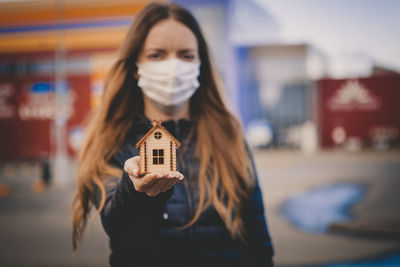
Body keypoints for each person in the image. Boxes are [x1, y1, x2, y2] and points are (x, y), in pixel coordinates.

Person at [71, 3, 274, 267]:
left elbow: (258, 245)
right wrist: (139, 194)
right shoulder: (112, 141)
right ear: (135, 67)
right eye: (157, 55)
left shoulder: (228, 136)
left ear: (200, 64)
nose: (174, 67)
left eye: (186, 55)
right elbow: (121, 229)